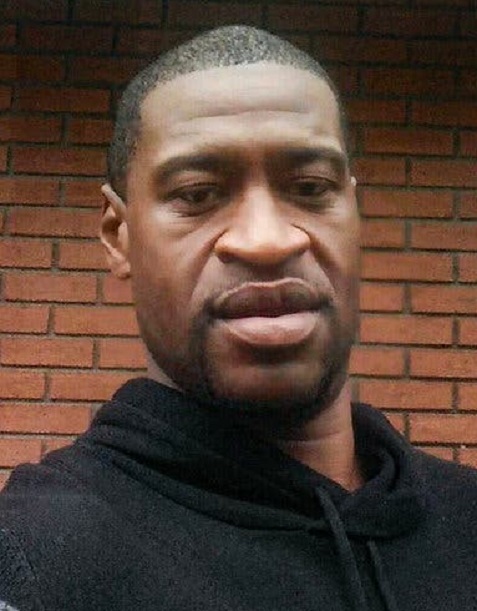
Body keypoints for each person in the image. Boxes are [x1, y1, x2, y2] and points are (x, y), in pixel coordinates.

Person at [1, 25, 477, 611]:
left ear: (354, 213)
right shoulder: (38, 561)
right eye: (198, 194)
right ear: (118, 235)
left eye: (311, 187)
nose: (267, 241)